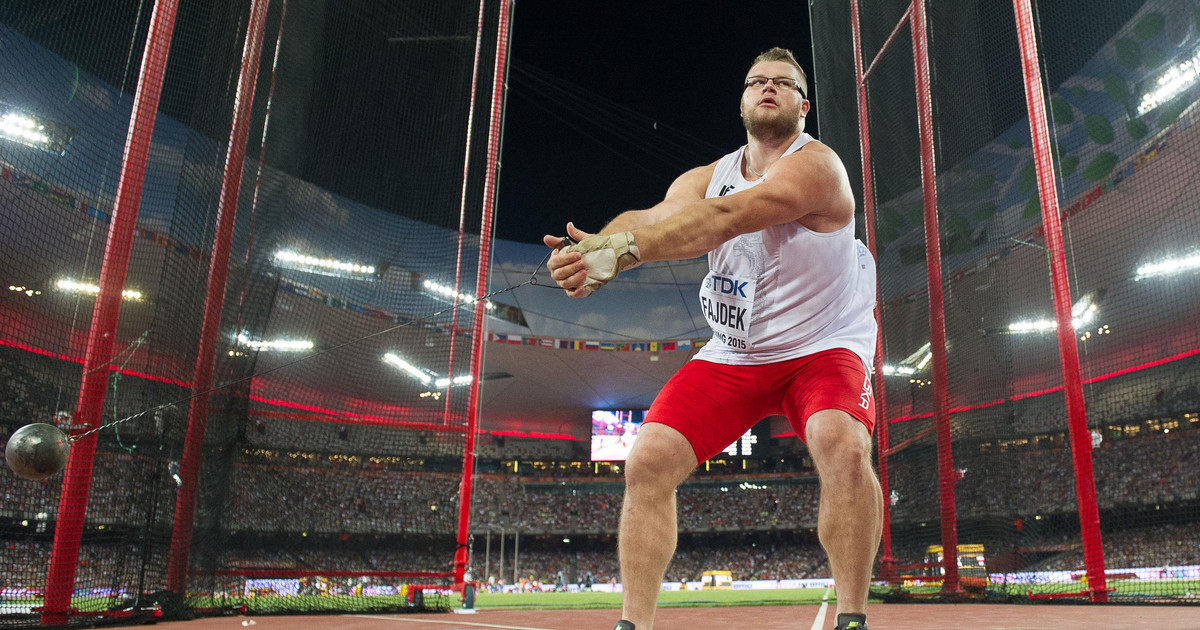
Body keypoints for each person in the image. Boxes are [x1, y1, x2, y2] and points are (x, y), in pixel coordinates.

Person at [543, 47, 882, 630]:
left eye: (783, 83)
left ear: (805, 105)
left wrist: (620, 254)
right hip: (737, 349)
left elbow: (725, 220)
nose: (768, 88)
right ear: (743, 100)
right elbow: (653, 218)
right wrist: (593, 245)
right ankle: (633, 624)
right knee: (646, 459)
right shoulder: (706, 176)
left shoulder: (817, 167)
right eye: (757, 81)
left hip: (822, 345)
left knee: (842, 445)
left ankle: (852, 617)